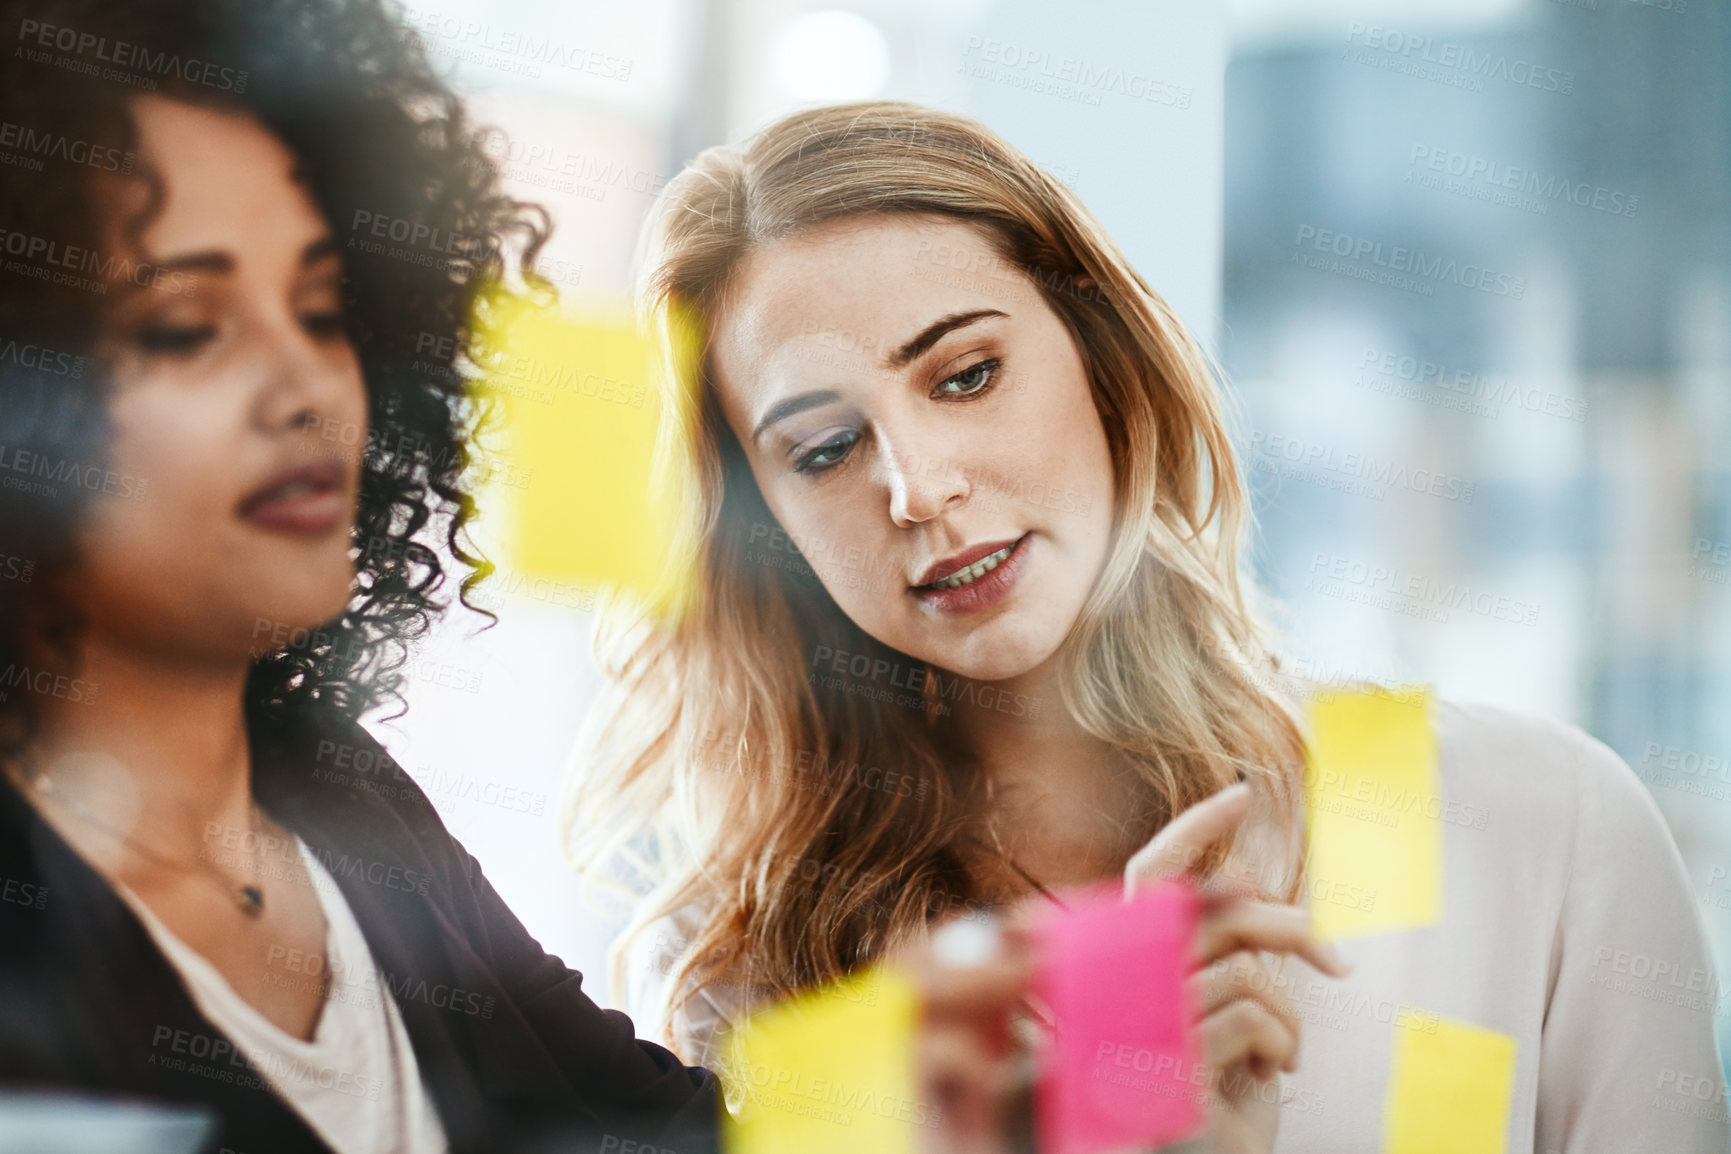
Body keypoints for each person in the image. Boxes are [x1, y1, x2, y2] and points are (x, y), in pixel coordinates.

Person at [565, 101, 1728, 1152]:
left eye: (966, 374)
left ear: (1103, 360)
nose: (916, 486)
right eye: (822, 451)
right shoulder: (751, 980)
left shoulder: (1535, 825)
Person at [0, 6, 1044, 1153]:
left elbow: (653, 1128)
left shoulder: (341, 797)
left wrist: (946, 1087)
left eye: (320, 309)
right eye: (187, 328)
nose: (305, 385)